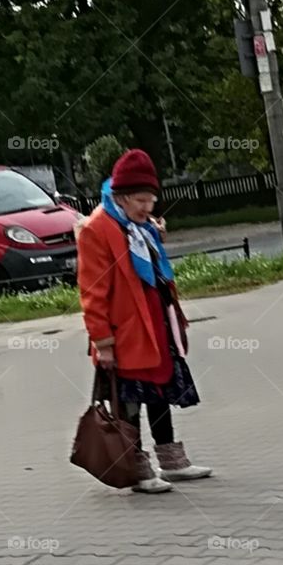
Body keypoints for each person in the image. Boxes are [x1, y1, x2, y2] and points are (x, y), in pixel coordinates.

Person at [76, 149, 211, 494]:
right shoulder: (98, 230)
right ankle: (135, 465)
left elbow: (155, 272)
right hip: (126, 333)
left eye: (152, 200)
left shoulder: (141, 227)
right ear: (120, 197)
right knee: (131, 400)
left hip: (156, 326)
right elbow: (92, 292)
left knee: (160, 392)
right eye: (141, 200)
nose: (148, 207)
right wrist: (103, 342)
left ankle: (171, 460)